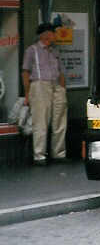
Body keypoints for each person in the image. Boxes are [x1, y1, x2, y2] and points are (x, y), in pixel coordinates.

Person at [21, 23, 67, 165]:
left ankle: (58, 153)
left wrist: (63, 88)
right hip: (40, 85)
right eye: (53, 32)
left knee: (60, 120)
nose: (55, 35)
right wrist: (28, 94)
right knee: (40, 120)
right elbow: (25, 72)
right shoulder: (32, 50)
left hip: (56, 86)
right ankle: (39, 155)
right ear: (46, 34)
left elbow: (61, 71)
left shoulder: (55, 51)